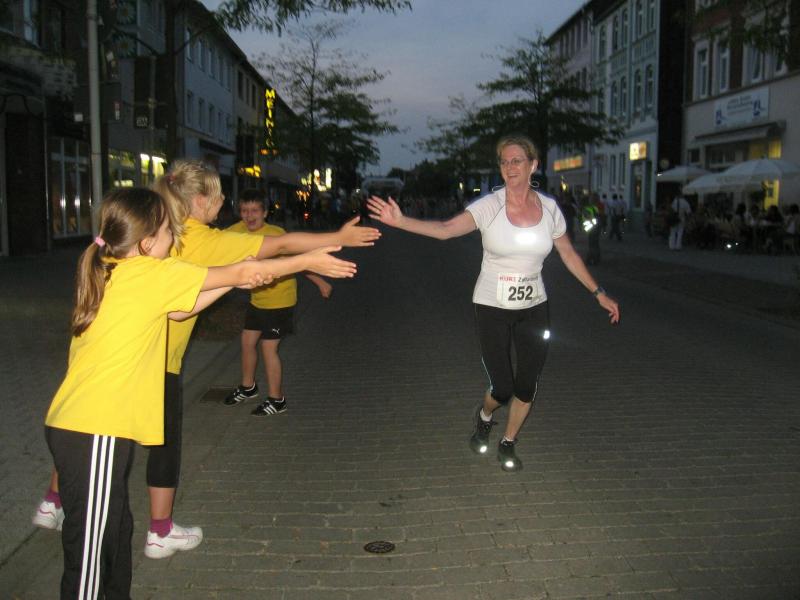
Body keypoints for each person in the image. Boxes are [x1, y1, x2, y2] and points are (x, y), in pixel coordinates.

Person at [35, 159, 379, 559]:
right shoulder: (181, 247)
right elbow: (278, 247)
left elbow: (184, 307)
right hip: (145, 367)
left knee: (89, 438)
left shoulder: (117, 255)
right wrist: (319, 250)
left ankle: (53, 500)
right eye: (219, 198)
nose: (223, 205)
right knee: (156, 447)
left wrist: (241, 273)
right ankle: (160, 531)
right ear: (199, 201)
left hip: (93, 381)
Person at [367, 134, 619, 472]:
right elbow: (445, 229)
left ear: (533, 165)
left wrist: (598, 292)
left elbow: (569, 254)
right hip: (491, 306)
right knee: (502, 387)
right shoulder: (489, 206)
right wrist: (401, 221)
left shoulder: (550, 209)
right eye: (504, 161)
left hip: (534, 306)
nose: (510, 167)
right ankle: (485, 416)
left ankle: (508, 441)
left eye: (517, 160)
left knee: (527, 384)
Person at [223, 189, 333, 415]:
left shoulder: (275, 235)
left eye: (255, 211)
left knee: (268, 348)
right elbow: (211, 243)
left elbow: (298, 262)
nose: (249, 216)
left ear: (265, 213)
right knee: (247, 342)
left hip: (280, 300)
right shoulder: (236, 231)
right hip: (258, 300)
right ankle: (248, 387)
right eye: (244, 211)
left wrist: (320, 282)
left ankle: (277, 400)